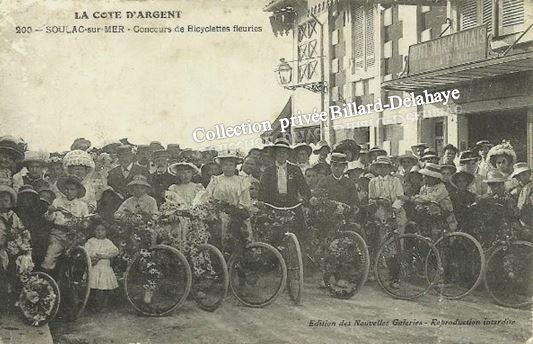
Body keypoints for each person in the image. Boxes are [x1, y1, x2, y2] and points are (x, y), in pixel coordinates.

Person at [41, 175, 89, 272]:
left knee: (75, 258)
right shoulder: (57, 201)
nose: (69, 192)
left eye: (72, 189)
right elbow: (49, 219)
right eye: (67, 189)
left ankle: (71, 280)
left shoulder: (82, 205)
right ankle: (48, 280)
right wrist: (50, 211)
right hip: (58, 235)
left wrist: (83, 223)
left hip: (74, 237)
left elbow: (86, 223)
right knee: (49, 257)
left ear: (77, 191)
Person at [259, 138, 311, 207]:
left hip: (292, 204)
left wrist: (305, 197)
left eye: (284, 152)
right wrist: (261, 201)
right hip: (273, 204)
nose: (282, 154)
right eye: (279, 152)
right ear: (275, 154)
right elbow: (262, 188)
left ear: (287, 155)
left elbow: (303, 187)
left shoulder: (295, 169)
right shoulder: (268, 171)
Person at [84, 217, 119, 311]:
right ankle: (95, 305)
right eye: (97, 230)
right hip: (94, 267)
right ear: (94, 231)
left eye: (102, 230)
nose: (100, 232)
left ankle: (104, 305)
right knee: (94, 286)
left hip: (104, 267)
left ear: (106, 231)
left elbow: (115, 252)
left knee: (104, 287)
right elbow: (85, 252)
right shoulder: (91, 241)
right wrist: (92, 258)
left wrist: (104, 256)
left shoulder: (108, 242)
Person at [411, 163, 458, 232]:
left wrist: (414, 198)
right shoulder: (424, 187)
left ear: (435, 178)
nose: (426, 178)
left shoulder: (441, 187)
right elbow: (420, 200)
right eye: (425, 176)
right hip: (429, 216)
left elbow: (430, 198)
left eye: (429, 177)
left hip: (444, 217)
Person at [15, 185, 49, 267]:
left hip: (35, 241)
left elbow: (43, 227)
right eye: (24, 198)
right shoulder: (16, 212)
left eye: (30, 198)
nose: (27, 201)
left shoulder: (37, 212)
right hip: (19, 240)